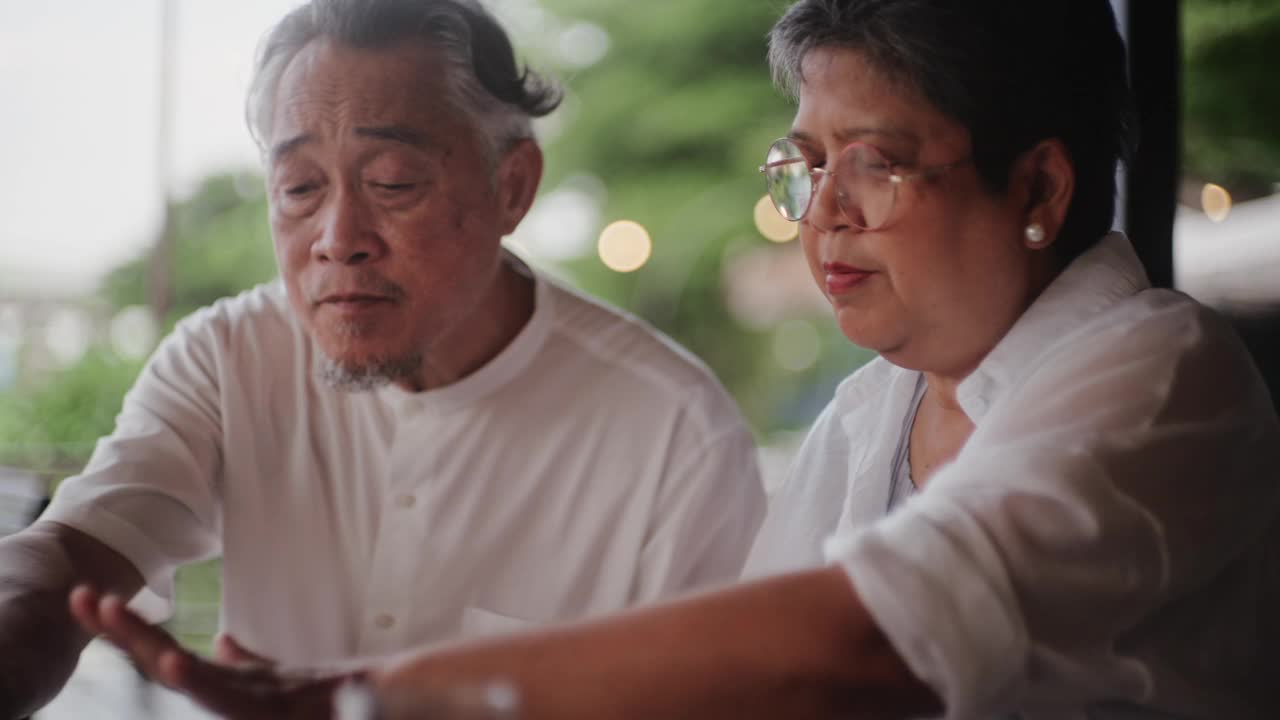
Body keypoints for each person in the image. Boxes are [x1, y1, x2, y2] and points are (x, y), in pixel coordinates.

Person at [72, 0, 1280, 718]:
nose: (822, 215)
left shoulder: (1158, 367)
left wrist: (368, 694)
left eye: (875, 163)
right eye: (807, 165)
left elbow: (860, 648)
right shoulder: (871, 410)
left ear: (1037, 185)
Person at [0, 0, 767, 716]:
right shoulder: (228, 357)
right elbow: (68, 551)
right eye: (300, 186)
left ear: (513, 186)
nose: (338, 236)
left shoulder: (674, 433)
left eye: (392, 182)